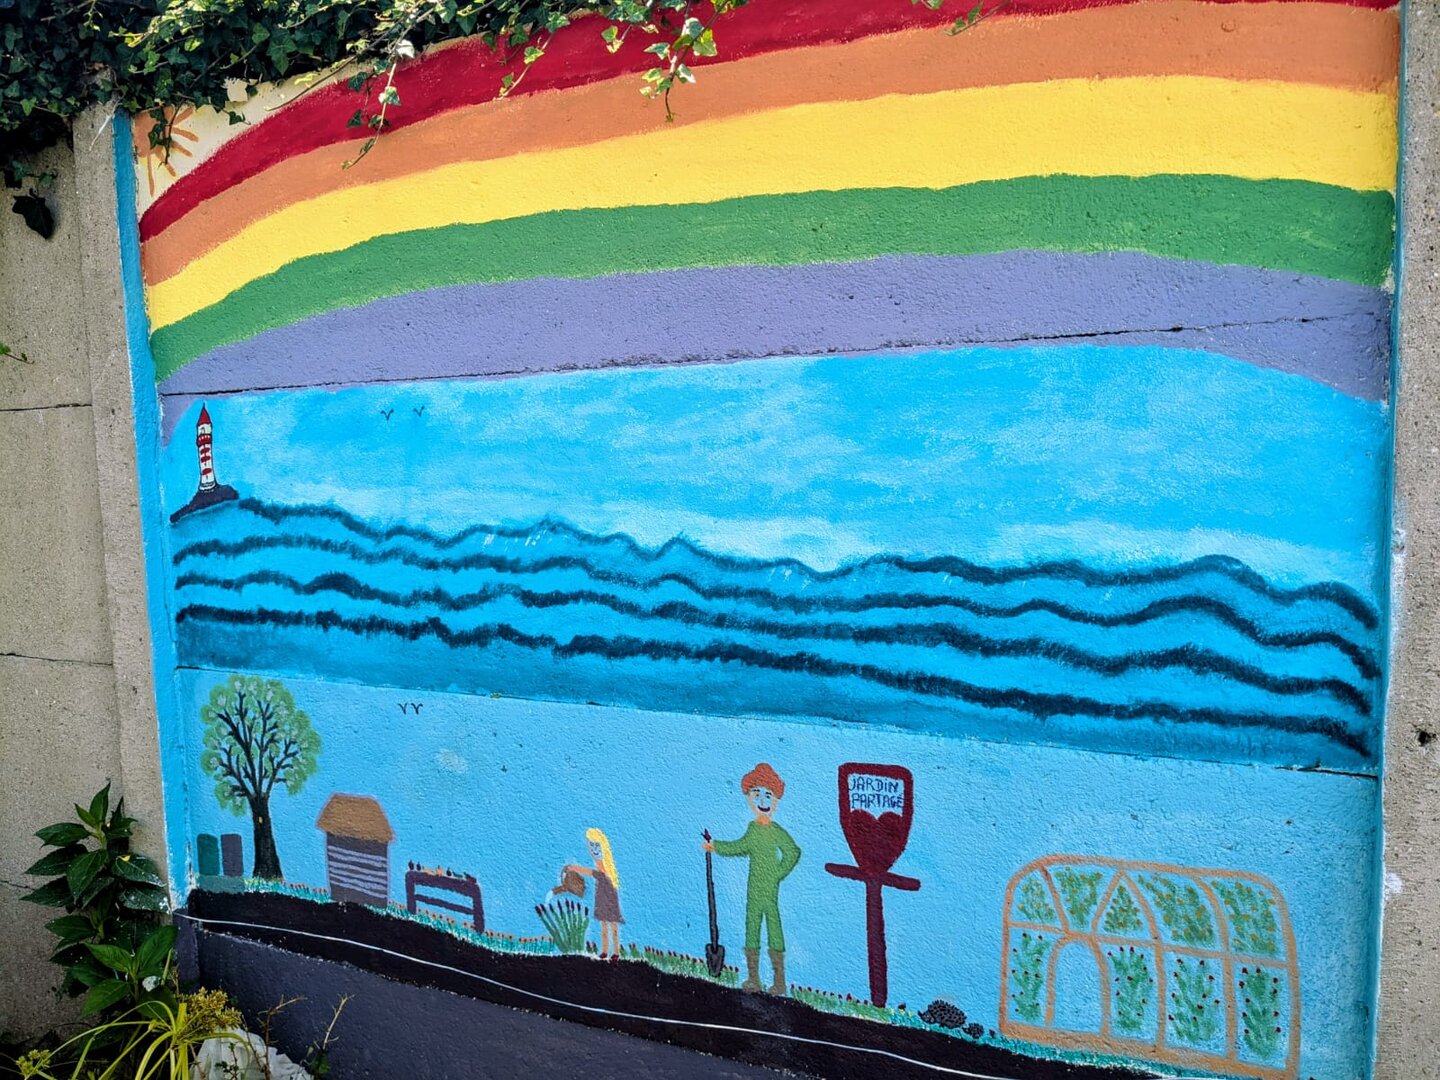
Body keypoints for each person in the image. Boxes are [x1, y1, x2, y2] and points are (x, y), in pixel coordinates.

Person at [703, 762, 801, 994]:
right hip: (753, 890)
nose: (762, 801)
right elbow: (740, 846)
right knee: (752, 928)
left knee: (774, 929)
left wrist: (777, 874)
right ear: (749, 797)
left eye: (768, 795)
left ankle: (779, 981)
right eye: (756, 794)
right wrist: (715, 846)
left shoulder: (776, 831)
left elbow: (793, 852)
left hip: (769, 889)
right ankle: (754, 979)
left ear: (776, 799)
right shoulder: (753, 829)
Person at [566, 827, 624, 958]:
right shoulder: (604, 868)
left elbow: (595, 872)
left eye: (594, 846)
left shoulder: (605, 871)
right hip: (602, 896)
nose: (592, 849)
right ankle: (606, 951)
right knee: (605, 924)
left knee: (611, 924)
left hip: (608, 896)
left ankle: (614, 952)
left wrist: (575, 868)